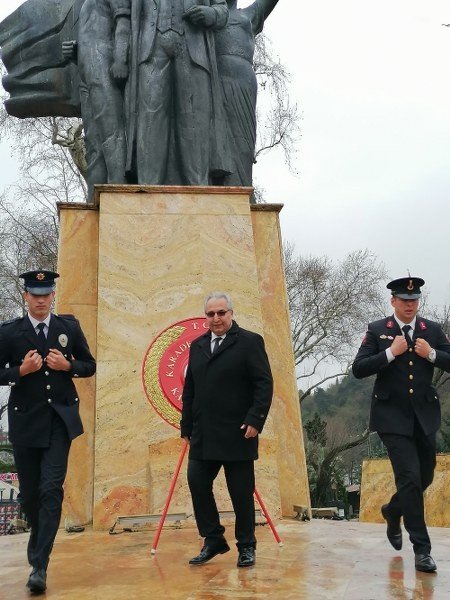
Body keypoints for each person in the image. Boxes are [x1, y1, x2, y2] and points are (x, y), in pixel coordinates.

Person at [0, 270, 96, 593]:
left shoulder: (68, 327)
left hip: (59, 421)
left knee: (50, 489)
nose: (41, 300)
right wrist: (20, 371)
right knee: (30, 495)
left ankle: (39, 565)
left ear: (53, 295)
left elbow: (89, 364)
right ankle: (37, 549)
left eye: (46, 294)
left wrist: (68, 367)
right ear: (25, 296)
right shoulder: (10, 332)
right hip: (26, 423)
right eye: (35, 294)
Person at [352, 276, 450, 573]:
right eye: (404, 301)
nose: (410, 305)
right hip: (391, 418)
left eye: (414, 301)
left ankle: (393, 511)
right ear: (393, 301)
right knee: (409, 478)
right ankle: (422, 550)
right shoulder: (378, 330)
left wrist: (431, 354)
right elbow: (358, 368)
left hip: (424, 416)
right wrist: (389, 353)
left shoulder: (430, 330)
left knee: (426, 476)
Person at [180, 292, 273, 567]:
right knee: (197, 482)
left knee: (241, 493)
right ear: (205, 317)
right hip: (204, 433)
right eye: (211, 314)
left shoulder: (249, 342)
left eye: (221, 313)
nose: (216, 318)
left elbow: (264, 384)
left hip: (239, 431)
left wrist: (255, 419)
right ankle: (213, 540)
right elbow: (190, 390)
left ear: (231, 313)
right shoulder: (196, 346)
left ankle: (246, 546)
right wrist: (186, 425)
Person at [126, 0, 230, 185]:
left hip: (193, 49)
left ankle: (198, 190)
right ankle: (147, 190)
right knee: (151, 119)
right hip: (150, 48)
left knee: (194, 119)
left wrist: (209, 13)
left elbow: (222, 9)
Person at [62, 0, 131, 200]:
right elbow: (94, 30)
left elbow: (124, 22)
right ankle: (94, 199)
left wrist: (120, 60)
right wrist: (76, 52)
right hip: (87, 69)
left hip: (103, 64)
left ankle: (120, 194)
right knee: (93, 141)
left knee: (111, 131)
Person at [214, 0, 279, 190]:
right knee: (217, 137)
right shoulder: (209, 16)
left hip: (242, 79)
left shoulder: (249, 14)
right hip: (212, 78)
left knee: (243, 137)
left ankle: (241, 191)